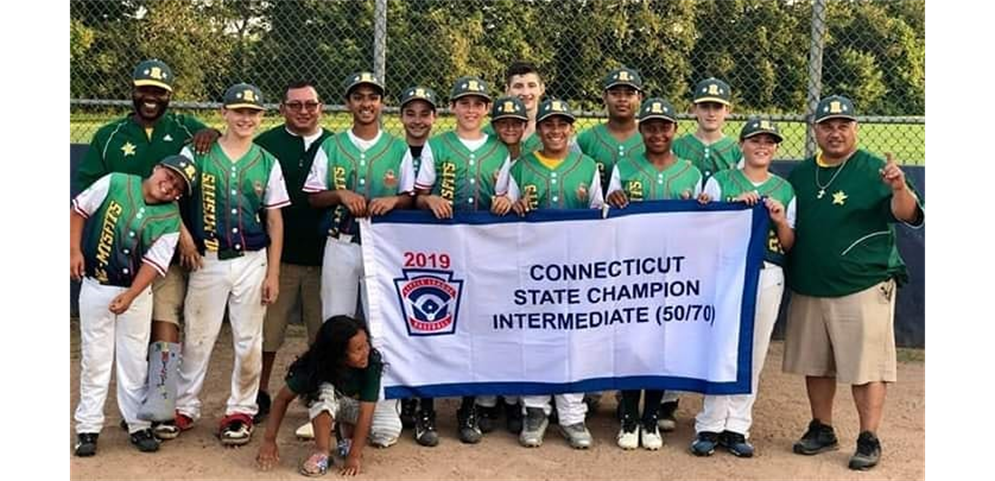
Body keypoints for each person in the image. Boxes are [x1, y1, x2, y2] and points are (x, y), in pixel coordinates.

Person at [75, 59, 218, 431]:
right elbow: (87, 198)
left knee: (170, 322)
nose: (150, 98)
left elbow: (221, 133)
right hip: (117, 254)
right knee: (132, 335)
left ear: (170, 95)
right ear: (133, 91)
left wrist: (212, 131)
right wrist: (82, 250)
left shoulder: (185, 128)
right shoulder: (109, 134)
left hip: (166, 248)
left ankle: (158, 405)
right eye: (144, 90)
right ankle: (119, 414)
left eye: (159, 92)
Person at [783, 94, 925, 471]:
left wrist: (899, 187)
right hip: (811, 283)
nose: (835, 132)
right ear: (815, 131)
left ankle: (868, 436)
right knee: (816, 363)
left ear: (855, 129)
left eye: (843, 125)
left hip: (862, 282)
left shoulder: (874, 169)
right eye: (827, 126)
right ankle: (822, 427)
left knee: (867, 366)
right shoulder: (799, 174)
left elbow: (907, 214)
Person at [166, 83, 291, 446]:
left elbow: (274, 220)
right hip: (207, 258)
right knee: (198, 336)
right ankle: (185, 407)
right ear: (224, 113)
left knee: (248, 339)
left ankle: (241, 410)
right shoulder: (197, 151)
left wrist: (273, 272)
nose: (245, 118)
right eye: (238, 111)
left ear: (261, 117)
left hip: (253, 259)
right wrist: (184, 236)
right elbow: (169, 193)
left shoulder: (267, 161)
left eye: (252, 113)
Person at [303, 72, 413, 448]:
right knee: (335, 326)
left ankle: (380, 403)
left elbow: (410, 196)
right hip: (341, 242)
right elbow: (314, 196)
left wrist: (394, 201)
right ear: (348, 103)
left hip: (382, 248)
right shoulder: (333, 146)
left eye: (373, 97)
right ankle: (326, 403)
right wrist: (340, 193)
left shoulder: (397, 149)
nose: (366, 104)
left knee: (380, 325)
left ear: (381, 103)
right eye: (359, 97)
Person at [70, 154, 197, 456]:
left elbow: (154, 263)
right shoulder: (116, 182)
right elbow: (78, 211)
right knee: (95, 358)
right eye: (168, 176)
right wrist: (74, 250)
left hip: (137, 293)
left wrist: (131, 295)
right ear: (155, 168)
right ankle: (88, 428)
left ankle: (137, 424)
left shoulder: (168, 219)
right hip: (96, 284)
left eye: (177, 187)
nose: (169, 186)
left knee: (134, 359)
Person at [414, 75, 513, 444]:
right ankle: (425, 407)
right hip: (440, 247)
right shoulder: (437, 147)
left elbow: (506, 196)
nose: (471, 109)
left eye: (478, 103)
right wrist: (430, 200)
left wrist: (504, 202)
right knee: (431, 322)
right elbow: (418, 194)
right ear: (453, 107)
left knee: (475, 325)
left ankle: (468, 406)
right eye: (464, 102)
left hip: (483, 248)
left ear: (486, 109)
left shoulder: (499, 151)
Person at [500, 98, 603, 449]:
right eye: (549, 124)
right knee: (535, 337)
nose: (555, 130)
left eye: (562, 124)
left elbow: (597, 217)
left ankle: (573, 414)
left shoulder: (587, 166)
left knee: (573, 339)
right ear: (538, 129)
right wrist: (513, 207)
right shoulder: (520, 167)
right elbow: (503, 210)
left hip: (574, 269)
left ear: (571, 129)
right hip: (531, 266)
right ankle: (535, 410)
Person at [690, 118, 795, 458]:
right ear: (742, 145)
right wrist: (732, 206)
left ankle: (737, 425)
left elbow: (790, 243)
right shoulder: (721, 181)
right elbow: (704, 232)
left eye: (769, 141)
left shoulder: (783, 188)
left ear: (776, 147)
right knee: (720, 344)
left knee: (754, 349)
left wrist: (779, 220)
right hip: (726, 272)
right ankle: (709, 423)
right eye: (755, 140)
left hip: (768, 271)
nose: (762, 146)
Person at [603, 97, 701, 451]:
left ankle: (651, 417)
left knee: (662, 343)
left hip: (673, 271)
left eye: (664, 126)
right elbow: (605, 211)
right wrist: (611, 201)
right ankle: (629, 415)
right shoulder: (625, 166)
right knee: (633, 343)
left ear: (675, 129)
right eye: (650, 126)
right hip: (631, 268)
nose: (657, 133)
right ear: (641, 130)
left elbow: (704, 223)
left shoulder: (690, 171)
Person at [253, 80, 334, 423]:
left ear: (321, 107)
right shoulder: (266, 143)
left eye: (310, 104)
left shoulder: (335, 143)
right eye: (295, 105)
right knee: (269, 331)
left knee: (322, 332)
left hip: (325, 255)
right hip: (279, 257)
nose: (304, 111)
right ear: (282, 108)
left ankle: (320, 392)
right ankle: (258, 392)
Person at [256, 316, 384, 477]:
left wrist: (354, 455)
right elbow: (282, 399)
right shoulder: (315, 366)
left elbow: (367, 412)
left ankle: (346, 435)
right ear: (338, 354)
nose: (365, 351)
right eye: (358, 349)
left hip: (355, 408)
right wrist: (269, 440)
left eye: (366, 344)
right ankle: (322, 452)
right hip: (329, 404)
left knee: (386, 431)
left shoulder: (371, 363)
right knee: (324, 391)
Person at [577, 67, 646, 192]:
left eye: (629, 94)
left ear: (639, 98)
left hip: (639, 211)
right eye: (615, 93)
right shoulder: (586, 139)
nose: (622, 99)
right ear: (604, 96)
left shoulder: (651, 139)